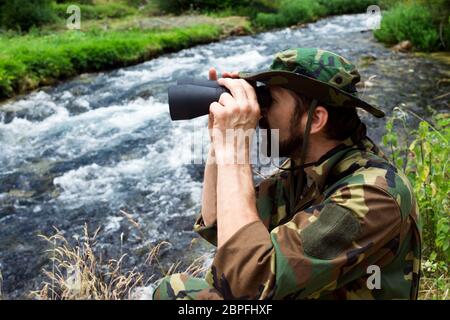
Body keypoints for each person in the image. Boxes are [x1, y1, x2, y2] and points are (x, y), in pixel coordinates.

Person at [153, 48, 421, 300]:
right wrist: (221, 139)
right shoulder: (304, 170)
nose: (261, 111)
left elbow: (248, 282)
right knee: (173, 290)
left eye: (271, 100)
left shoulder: (376, 194)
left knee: (177, 291)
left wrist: (234, 150)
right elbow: (219, 226)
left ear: (315, 119)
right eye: (262, 98)